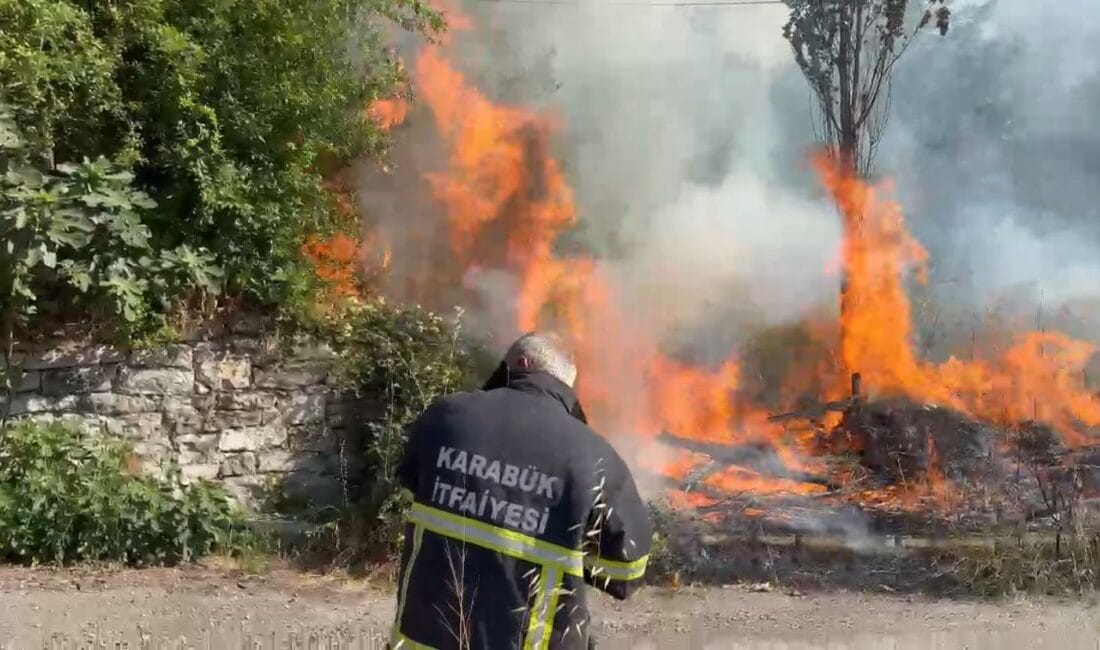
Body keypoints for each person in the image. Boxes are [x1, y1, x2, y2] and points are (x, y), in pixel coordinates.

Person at [389, 332, 652, 650]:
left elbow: (413, 483)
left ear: (520, 364)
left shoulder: (445, 417)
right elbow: (627, 571)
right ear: (566, 384)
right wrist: (562, 538)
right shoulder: (592, 454)